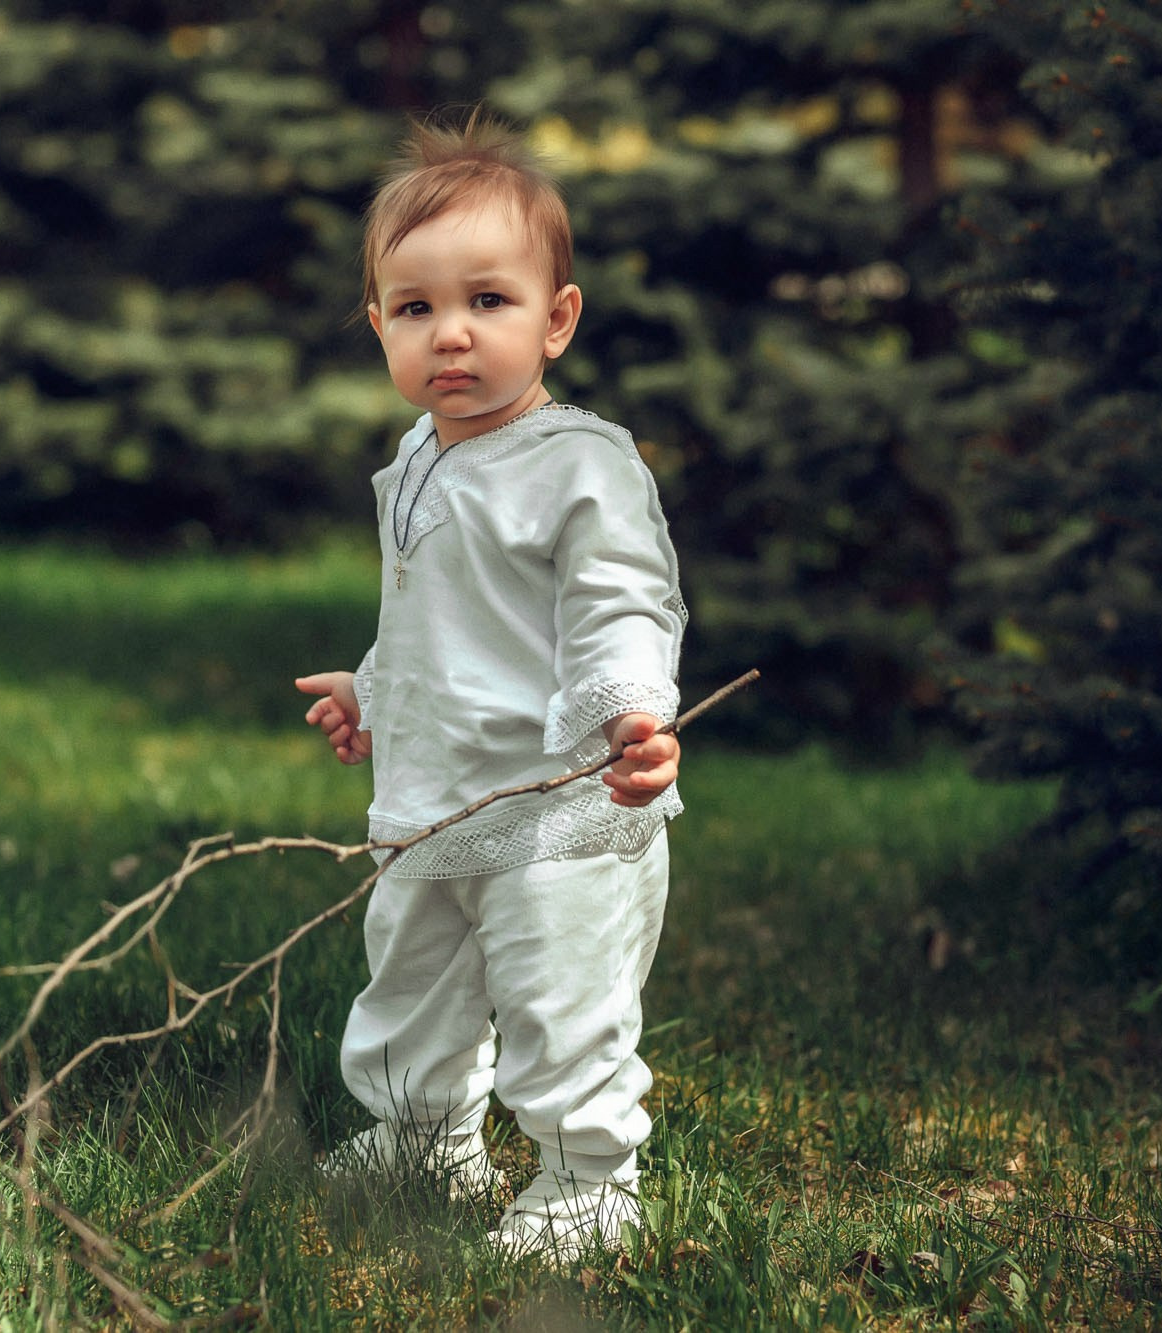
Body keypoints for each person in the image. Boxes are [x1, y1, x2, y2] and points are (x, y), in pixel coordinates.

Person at [293, 109, 686, 1262]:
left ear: (555, 319)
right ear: (379, 327)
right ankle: (420, 1138)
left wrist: (629, 712)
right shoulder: (418, 457)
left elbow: (622, 599)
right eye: (415, 309)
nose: (450, 334)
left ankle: (587, 1184)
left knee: (560, 999)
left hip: (559, 804)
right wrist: (373, 689)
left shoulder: (579, 464)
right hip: (433, 800)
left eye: (487, 301)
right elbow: (439, 618)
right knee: (410, 987)